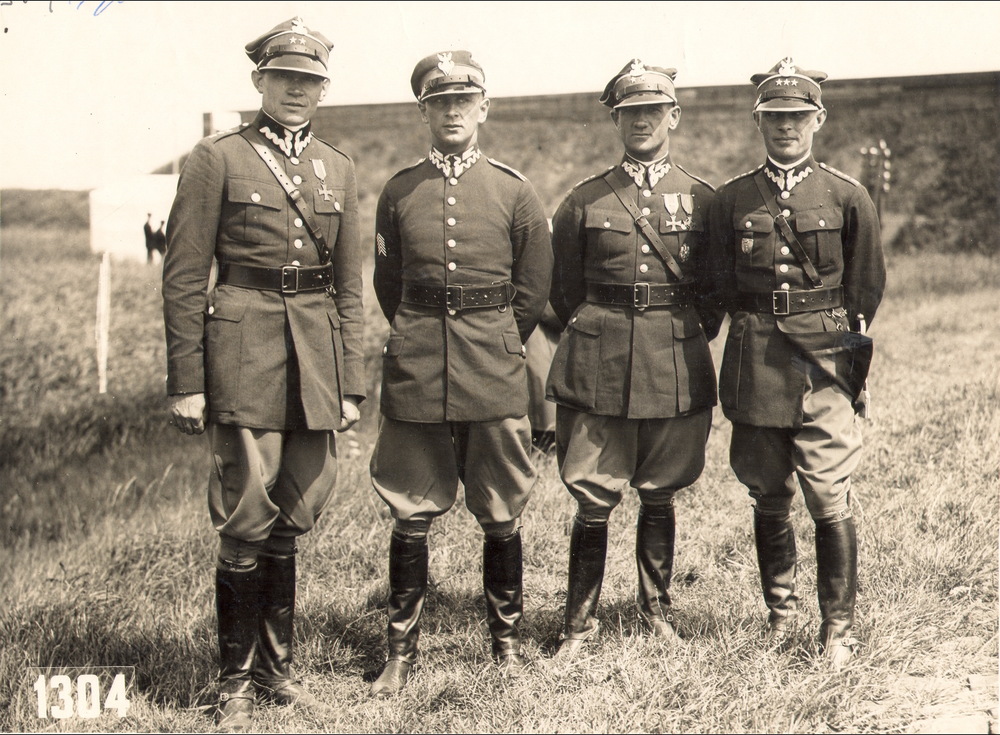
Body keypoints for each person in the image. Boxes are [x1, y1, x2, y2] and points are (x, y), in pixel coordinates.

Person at [161, 17, 366, 729]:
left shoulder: (339, 168)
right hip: (243, 350)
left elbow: (348, 287)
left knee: (297, 507)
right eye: (285, 78)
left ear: (323, 89)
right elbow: (184, 275)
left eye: (310, 81)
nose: (297, 90)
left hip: (316, 357)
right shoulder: (218, 158)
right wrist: (187, 380)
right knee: (247, 513)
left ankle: (278, 674)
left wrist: (349, 383)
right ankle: (236, 685)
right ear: (259, 81)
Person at [369, 50, 553, 695]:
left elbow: (532, 287)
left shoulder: (513, 189)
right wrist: (423, 334)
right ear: (423, 111)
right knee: (410, 507)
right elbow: (388, 284)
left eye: (463, 101)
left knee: (501, 507)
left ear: (483, 108)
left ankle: (505, 643)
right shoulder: (399, 190)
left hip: (491, 364)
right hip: (418, 362)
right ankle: (401, 652)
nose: (452, 112)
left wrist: (498, 340)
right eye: (439, 102)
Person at [704, 58, 886, 670]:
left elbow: (865, 285)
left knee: (829, 491)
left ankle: (838, 630)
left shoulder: (846, 194)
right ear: (758, 120)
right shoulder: (731, 199)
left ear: (819, 119)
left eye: (798, 116)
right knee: (767, 490)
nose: (787, 126)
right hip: (756, 358)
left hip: (824, 360)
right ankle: (781, 616)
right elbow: (717, 283)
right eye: (775, 116)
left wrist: (843, 349)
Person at [545, 60, 719, 660]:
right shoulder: (584, 198)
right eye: (630, 112)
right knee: (593, 492)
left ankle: (656, 610)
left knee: (661, 487)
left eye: (653, 110)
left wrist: (683, 331)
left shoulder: (702, 199)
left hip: (673, 357)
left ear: (674, 116)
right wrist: (601, 328)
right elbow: (562, 289)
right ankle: (579, 624)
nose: (642, 121)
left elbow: (716, 289)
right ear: (616, 120)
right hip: (601, 358)